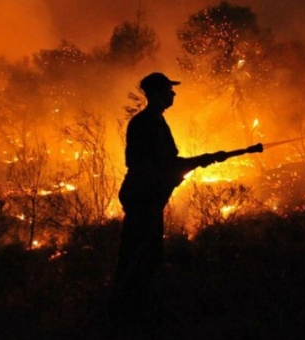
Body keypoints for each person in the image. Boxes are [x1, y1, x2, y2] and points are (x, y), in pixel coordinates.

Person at [110, 72, 226, 337]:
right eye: (168, 90)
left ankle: (131, 311)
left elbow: (166, 163)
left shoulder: (155, 122)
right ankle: (126, 316)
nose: (173, 94)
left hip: (148, 198)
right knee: (139, 257)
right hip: (144, 199)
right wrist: (199, 160)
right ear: (156, 94)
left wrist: (202, 160)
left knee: (143, 256)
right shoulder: (145, 124)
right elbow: (155, 165)